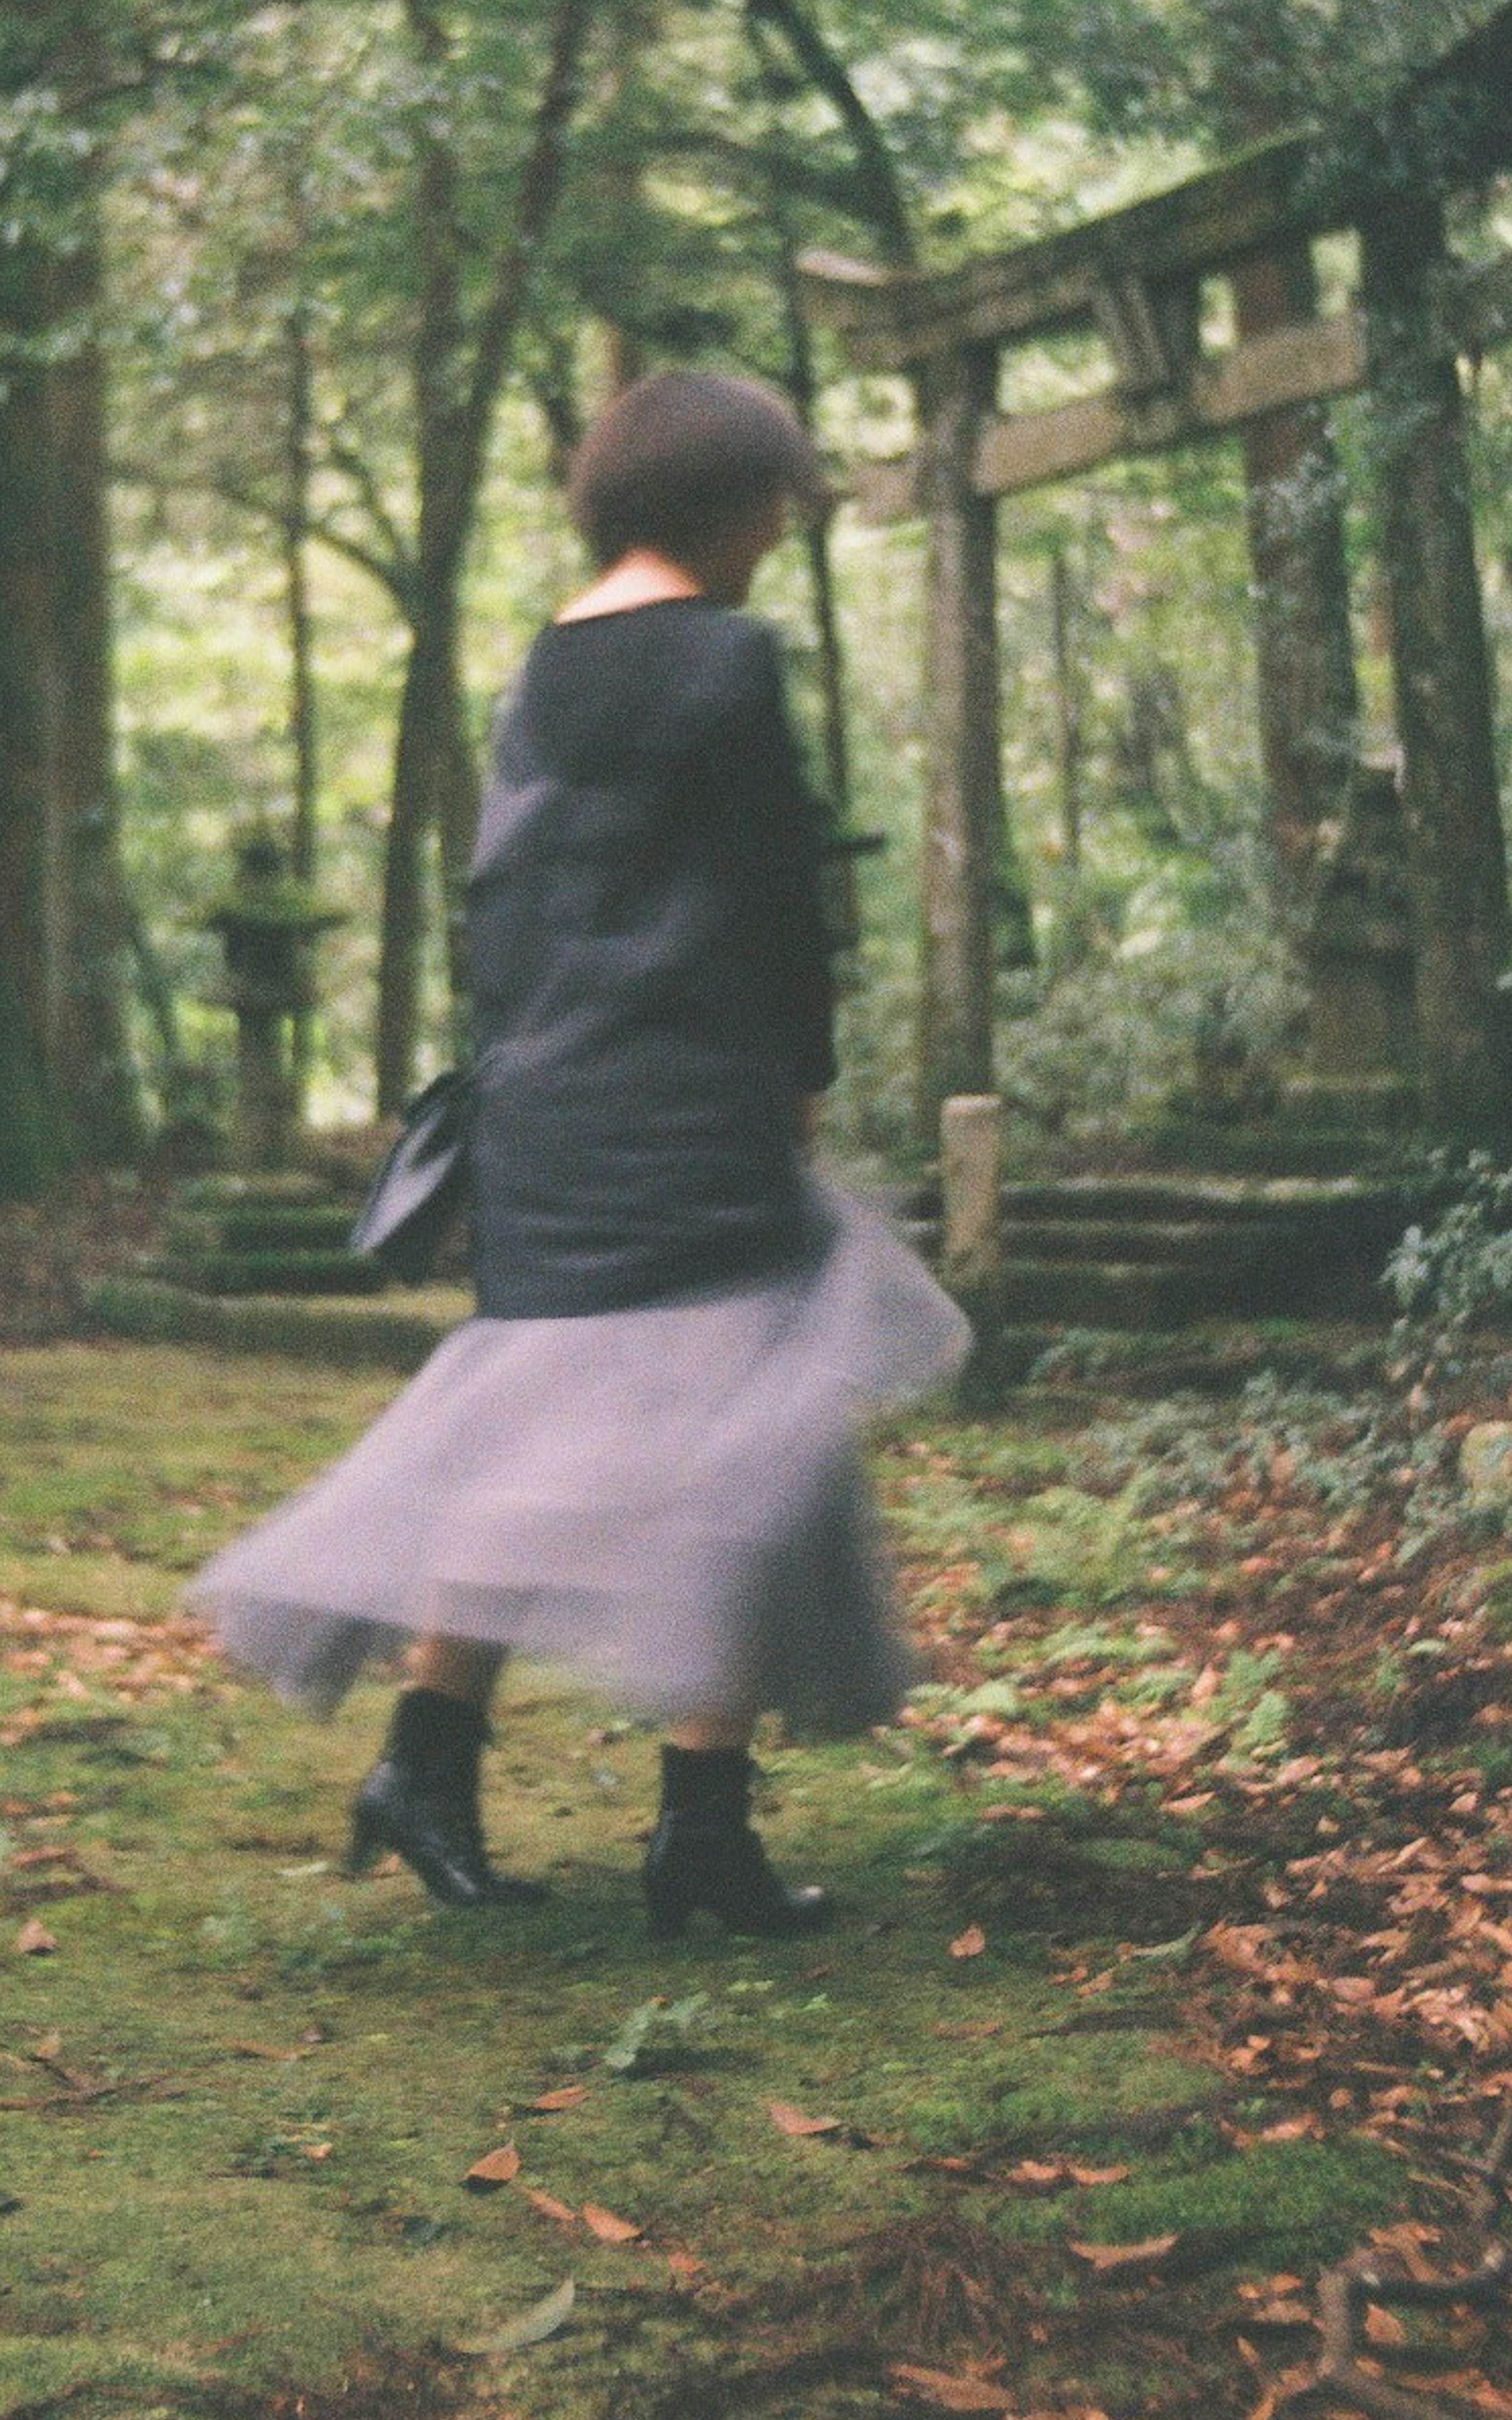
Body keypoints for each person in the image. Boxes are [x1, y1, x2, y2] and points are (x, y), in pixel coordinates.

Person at [189, 369, 968, 1938]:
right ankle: (700, 1838)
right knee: (760, 1432)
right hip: (688, 1103)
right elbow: (775, 896)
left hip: (541, 1106)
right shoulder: (727, 660)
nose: (779, 529)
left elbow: (510, 904)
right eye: (776, 501)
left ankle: (428, 1762)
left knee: (519, 1432)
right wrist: (801, 1077)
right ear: (732, 505)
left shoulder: (541, 669)